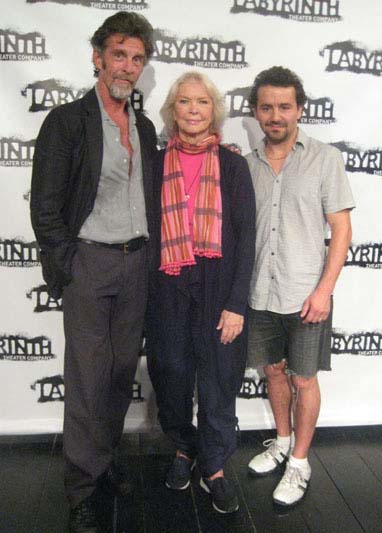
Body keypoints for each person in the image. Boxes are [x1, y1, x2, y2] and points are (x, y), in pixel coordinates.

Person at [30, 12, 157, 533]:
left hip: (139, 262)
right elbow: (46, 208)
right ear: (98, 56)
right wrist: (71, 261)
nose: (127, 65)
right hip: (90, 262)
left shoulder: (144, 127)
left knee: (120, 374)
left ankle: (104, 462)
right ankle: (82, 487)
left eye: (137, 58)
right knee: (86, 378)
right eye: (119, 54)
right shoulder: (66, 122)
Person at [146, 71, 255, 514]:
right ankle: (183, 446)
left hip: (217, 285)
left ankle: (213, 465)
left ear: (215, 111)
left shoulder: (233, 165)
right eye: (185, 102)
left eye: (202, 102)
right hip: (168, 285)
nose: (193, 110)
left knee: (218, 380)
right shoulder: (154, 164)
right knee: (170, 373)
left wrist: (236, 304)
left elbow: (247, 238)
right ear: (173, 111)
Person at [246, 66, 354, 507]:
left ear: (300, 110)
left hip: (307, 293)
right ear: (256, 111)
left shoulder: (325, 159)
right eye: (267, 107)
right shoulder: (244, 163)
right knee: (273, 371)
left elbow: (342, 230)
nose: (276, 115)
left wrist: (324, 290)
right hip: (259, 293)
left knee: (304, 378)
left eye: (284, 107)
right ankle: (283, 441)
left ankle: (301, 462)